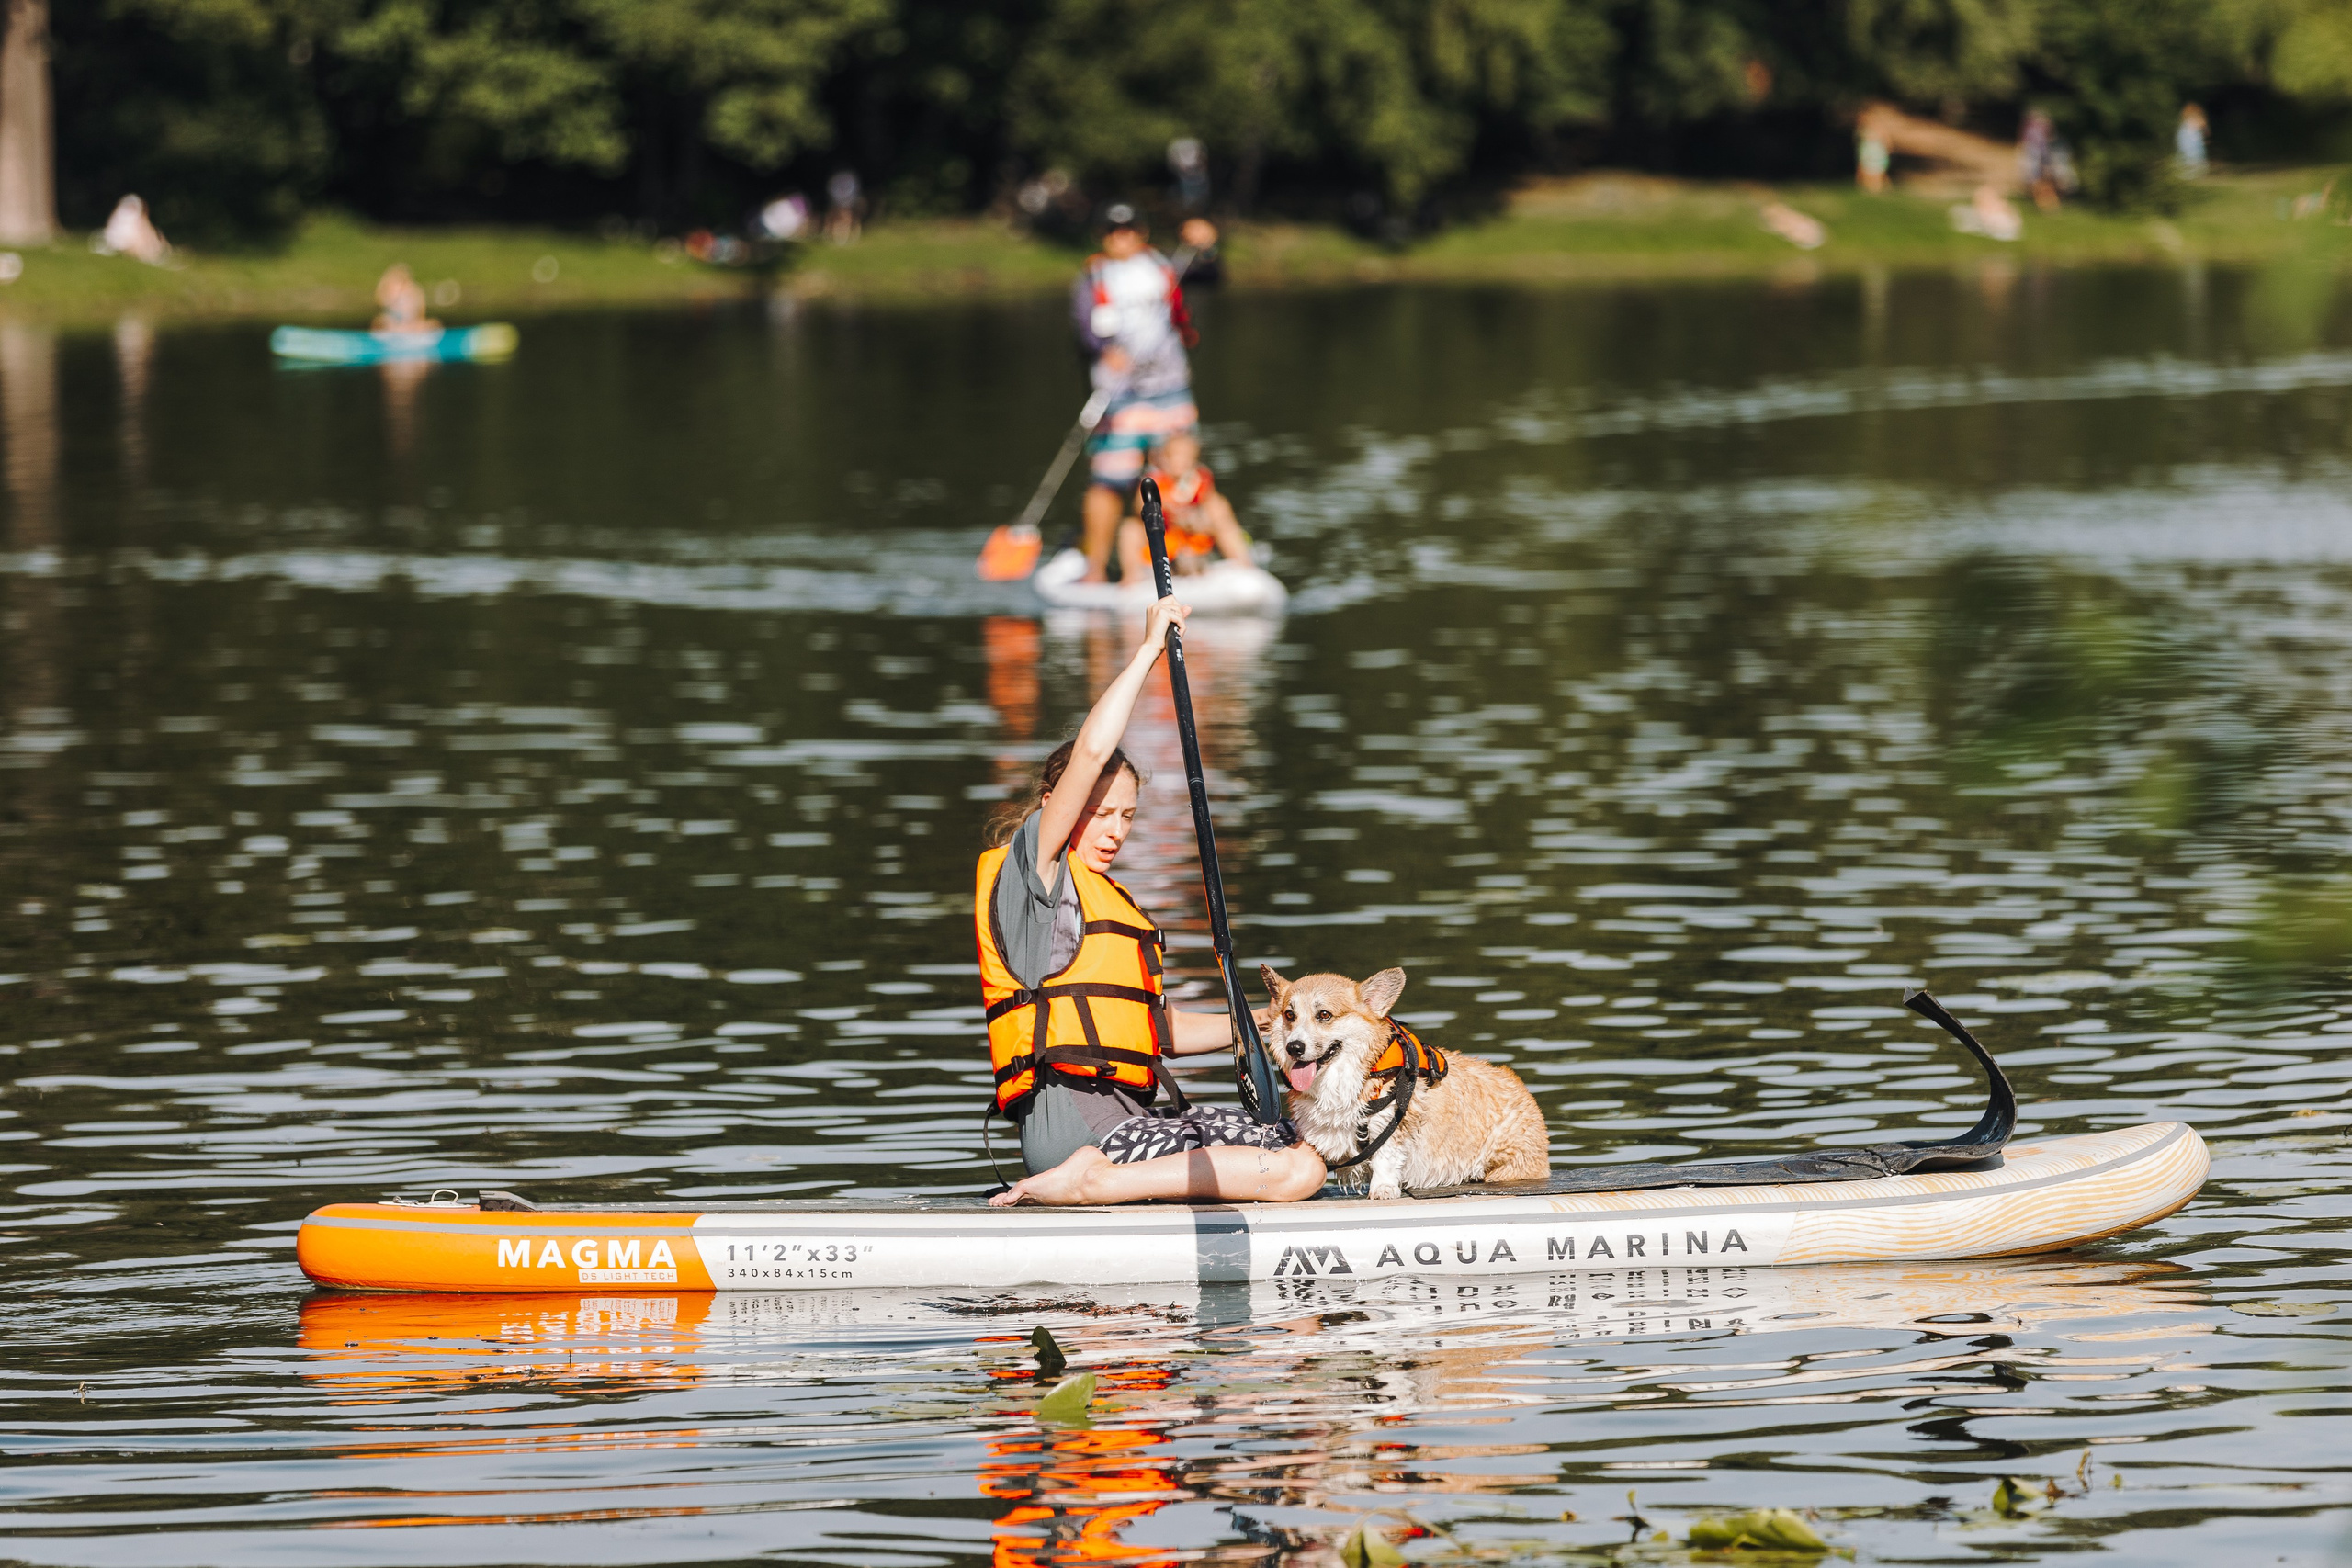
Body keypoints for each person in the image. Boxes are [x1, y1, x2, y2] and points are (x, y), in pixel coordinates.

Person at [978, 594, 1325, 1207]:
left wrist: (1259, 1024)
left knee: (1294, 1137)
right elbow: (1089, 753)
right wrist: (1146, 651)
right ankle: (1095, 1185)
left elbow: (1155, 1031)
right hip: (1078, 1133)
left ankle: (1110, 1183)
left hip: (1125, 1121)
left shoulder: (1107, 900)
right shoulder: (1035, 875)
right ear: (1055, 804)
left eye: (1128, 816)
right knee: (1298, 1169)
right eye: (1099, 812)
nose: (1115, 829)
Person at [1073, 205, 1199, 582]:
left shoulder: (1165, 265)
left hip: (1169, 389)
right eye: (1113, 230)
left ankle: (1187, 558)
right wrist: (1103, 347)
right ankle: (1095, 567)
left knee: (1180, 474)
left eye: (1128, 229)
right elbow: (1085, 324)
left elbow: (1211, 273)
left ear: (1141, 232)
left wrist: (1205, 244)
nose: (1121, 236)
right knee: (1110, 480)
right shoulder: (1095, 274)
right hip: (1120, 394)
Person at [1115, 432, 1252, 581]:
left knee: (1220, 511)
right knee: (1129, 529)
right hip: (1164, 544)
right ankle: (1131, 576)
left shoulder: (1200, 482)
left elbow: (1216, 511)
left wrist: (1197, 520)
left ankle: (1244, 564)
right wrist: (1168, 509)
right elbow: (1139, 506)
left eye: (1185, 457)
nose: (1179, 462)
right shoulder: (1154, 483)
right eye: (1173, 456)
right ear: (1162, 459)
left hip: (1194, 544)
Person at [373, 264, 437, 333]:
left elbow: (421, 314)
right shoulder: (388, 293)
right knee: (382, 323)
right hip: (394, 323)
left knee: (433, 324)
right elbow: (382, 305)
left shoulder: (415, 293)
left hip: (411, 323)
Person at [2177, 104, 2210, 179]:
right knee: (2191, 161)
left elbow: (2204, 128)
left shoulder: (2186, 125)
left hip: (2193, 147)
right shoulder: (2188, 125)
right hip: (2191, 148)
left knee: (2194, 161)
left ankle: (2192, 176)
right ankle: (2191, 176)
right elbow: (2203, 126)